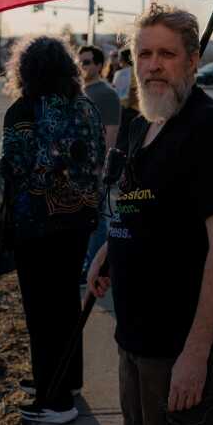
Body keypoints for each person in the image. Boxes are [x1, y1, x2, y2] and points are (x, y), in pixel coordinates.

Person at [87, 3, 213, 425]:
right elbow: (143, 208)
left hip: (181, 347)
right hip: (135, 337)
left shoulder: (210, 129)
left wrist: (196, 355)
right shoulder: (142, 125)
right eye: (145, 54)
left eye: (167, 54)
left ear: (193, 60)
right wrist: (110, 248)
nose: (153, 66)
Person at [1, 36, 105, 425]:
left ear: (24, 71)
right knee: (64, 302)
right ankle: (66, 379)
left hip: (36, 226)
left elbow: (14, 166)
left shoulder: (23, 110)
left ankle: (56, 400)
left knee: (42, 312)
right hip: (79, 220)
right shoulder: (87, 108)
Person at [78, 45, 120, 278]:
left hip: (95, 168)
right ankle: (90, 263)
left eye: (86, 62)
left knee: (97, 220)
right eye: (80, 62)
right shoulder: (81, 91)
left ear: (98, 65)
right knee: (86, 218)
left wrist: (101, 167)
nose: (82, 66)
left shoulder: (106, 93)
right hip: (79, 169)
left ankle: (98, 267)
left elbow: (111, 132)